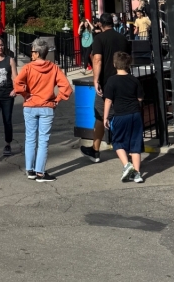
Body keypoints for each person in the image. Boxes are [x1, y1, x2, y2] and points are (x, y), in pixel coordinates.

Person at [14, 37, 72, 182]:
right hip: (47, 106)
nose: (31, 54)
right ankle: (40, 172)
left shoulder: (28, 68)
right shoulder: (54, 68)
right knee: (43, 140)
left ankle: (30, 170)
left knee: (30, 138)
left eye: (32, 51)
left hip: (30, 105)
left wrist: (26, 94)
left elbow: (17, 83)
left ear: (38, 53)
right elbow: (67, 88)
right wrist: (57, 99)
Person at [81, 11, 130, 164]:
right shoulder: (122, 38)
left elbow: (97, 59)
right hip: (123, 80)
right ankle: (127, 147)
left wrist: (96, 80)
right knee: (122, 113)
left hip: (106, 82)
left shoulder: (99, 39)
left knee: (100, 115)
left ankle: (95, 150)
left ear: (100, 24)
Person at [103, 51, 145, 183]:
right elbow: (139, 98)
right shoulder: (134, 80)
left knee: (118, 141)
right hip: (135, 114)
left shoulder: (112, 80)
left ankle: (127, 165)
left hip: (121, 114)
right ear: (128, 65)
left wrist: (105, 117)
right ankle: (137, 174)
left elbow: (108, 100)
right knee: (135, 143)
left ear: (115, 64)